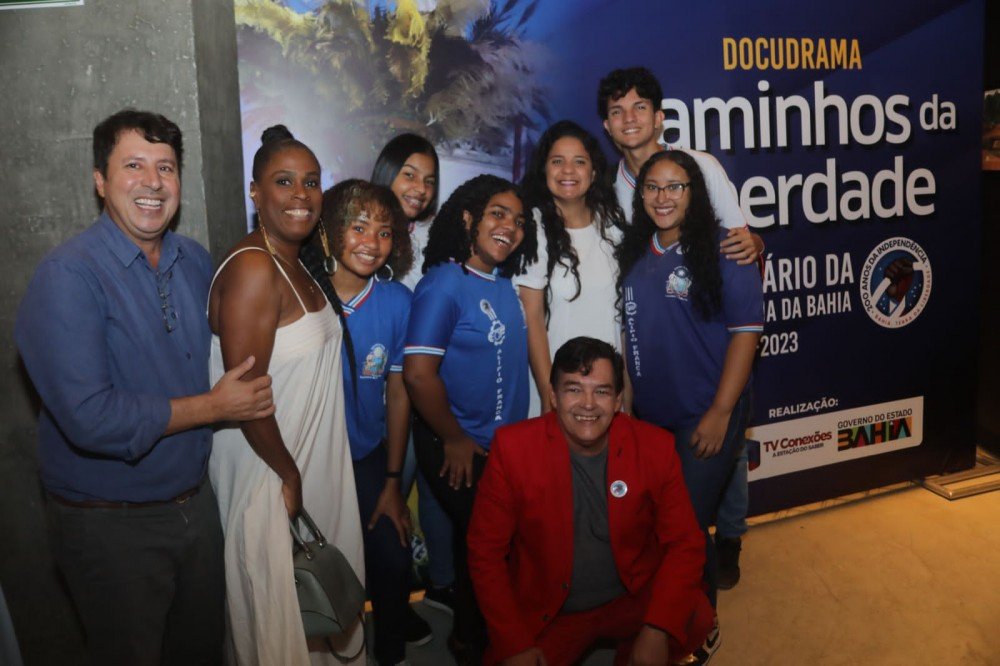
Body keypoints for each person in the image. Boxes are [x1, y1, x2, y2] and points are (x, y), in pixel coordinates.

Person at [15, 109, 274, 665]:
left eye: (166, 167)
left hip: (195, 508)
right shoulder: (69, 276)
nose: (153, 182)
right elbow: (90, 417)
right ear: (100, 180)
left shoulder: (194, 260)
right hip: (111, 524)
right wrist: (213, 407)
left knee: (202, 652)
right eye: (133, 165)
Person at [208, 126, 365, 664]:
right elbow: (245, 397)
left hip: (304, 458)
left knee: (317, 608)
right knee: (279, 628)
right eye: (283, 181)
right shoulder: (255, 267)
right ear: (255, 192)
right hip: (269, 470)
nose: (301, 194)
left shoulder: (296, 261)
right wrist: (289, 474)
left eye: (311, 182)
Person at [599, 66, 759, 586]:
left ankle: (728, 539)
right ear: (606, 124)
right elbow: (632, 305)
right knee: (673, 517)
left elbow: (740, 245)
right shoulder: (611, 195)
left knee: (703, 490)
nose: (629, 118)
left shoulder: (702, 166)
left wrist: (722, 409)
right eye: (617, 110)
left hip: (708, 386)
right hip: (656, 398)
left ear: (659, 117)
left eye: (639, 107)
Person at [468, 337, 713, 666]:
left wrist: (658, 628)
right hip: (555, 610)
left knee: (696, 616)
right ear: (553, 396)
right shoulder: (513, 449)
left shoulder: (654, 446)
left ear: (618, 401)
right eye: (573, 389)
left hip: (633, 595)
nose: (588, 404)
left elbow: (685, 543)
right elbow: (485, 552)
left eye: (602, 391)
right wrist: (514, 643)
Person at [617, 151, 763, 657]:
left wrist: (721, 413)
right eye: (652, 187)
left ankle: (703, 624)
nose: (663, 197)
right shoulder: (634, 252)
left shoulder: (725, 250)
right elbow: (631, 333)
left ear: (693, 193)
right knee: (668, 525)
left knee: (684, 527)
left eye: (675, 186)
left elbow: (746, 334)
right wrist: (628, 403)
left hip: (706, 413)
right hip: (652, 417)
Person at [403, 174, 535, 664]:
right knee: (486, 549)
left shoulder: (502, 283)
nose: (510, 227)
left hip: (497, 446)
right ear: (467, 219)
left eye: (518, 221)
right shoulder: (444, 283)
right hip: (458, 444)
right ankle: (471, 644)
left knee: (480, 547)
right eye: (498, 214)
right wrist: (454, 438)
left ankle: (472, 634)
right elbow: (418, 375)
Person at [302, 178, 430, 665]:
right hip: (311, 459)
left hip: (366, 457)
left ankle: (391, 654)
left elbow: (398, 393)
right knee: (320, 564)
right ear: (330, 230)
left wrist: (393, 481)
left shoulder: (397, 301)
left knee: (392, 556)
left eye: (384, 232)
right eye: (358, 227)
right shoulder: (302, 292)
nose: (371, 243)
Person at [370, 134, 457, 617]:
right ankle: (389, 609)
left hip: (424, 391)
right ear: (387, 172)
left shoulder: (430, 239)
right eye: (409, 174)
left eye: (428, 180)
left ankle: (439, 587)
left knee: (434, 495)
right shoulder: (363, 234)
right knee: (388, 502)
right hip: (379, 402)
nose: (420, 188)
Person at [516, 120, 627, 415]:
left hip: (607, 392)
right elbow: (532, 320)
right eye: (557, 161)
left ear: (593, 172)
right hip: (557, 393)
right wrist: (549, 396)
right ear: (544, 170)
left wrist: (626, 395)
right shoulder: (532, 228)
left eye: (579, 162)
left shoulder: (613, 225)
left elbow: (624, 319)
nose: (568, 171)